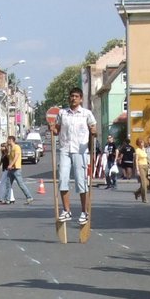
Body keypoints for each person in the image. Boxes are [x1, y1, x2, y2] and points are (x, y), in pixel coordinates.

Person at [56, 87, 96, 223]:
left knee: (81, 181)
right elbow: (57, 129)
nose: (73, 98)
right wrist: (52, 128)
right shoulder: (62, 113)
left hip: (80, 150)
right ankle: (66, 210)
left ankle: (84, 211)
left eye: (76, 96)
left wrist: (94, 131)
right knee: (62, 179)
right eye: (72, 96)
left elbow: (94, 128)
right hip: (65, 149)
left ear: (81, 99)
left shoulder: (86, 114)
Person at [0, 134, 32, 204]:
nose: (7, 141)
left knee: (21, 184)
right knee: (8, 184)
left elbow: (16, 157)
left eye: (8, 140)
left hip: (16, 169)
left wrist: (11, 165)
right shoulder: (11, 148)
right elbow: (9, 157)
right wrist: (6, 150)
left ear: (11, 140)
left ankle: (29, 197)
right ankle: (7, 199)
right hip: (11, 169)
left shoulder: (17, 147)